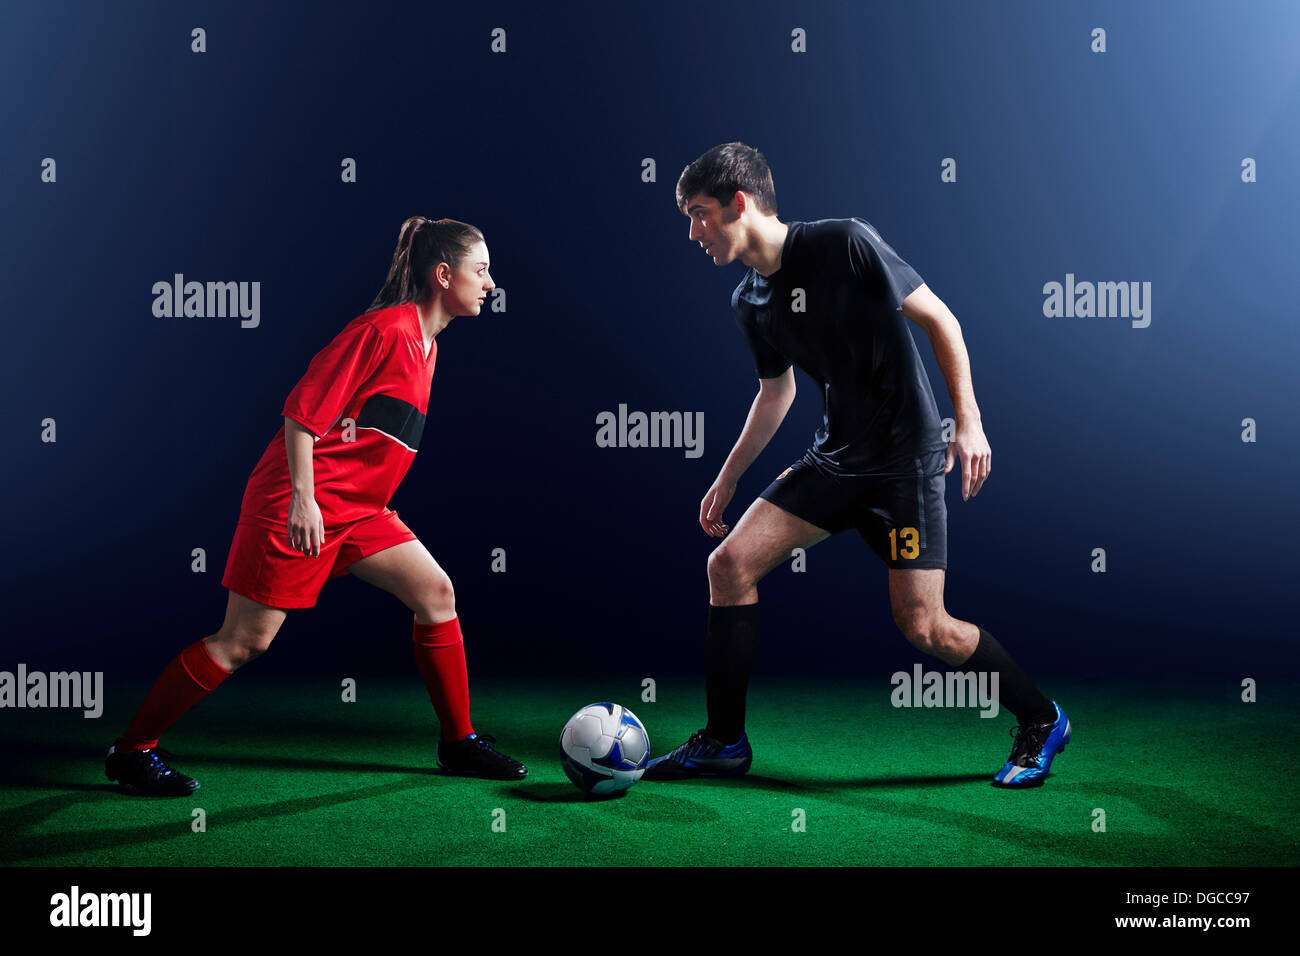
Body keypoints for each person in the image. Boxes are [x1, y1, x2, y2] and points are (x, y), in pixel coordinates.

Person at [644, 143, 1070, 788]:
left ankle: (1042, 719)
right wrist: (727, 477)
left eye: (699, 214)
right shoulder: (748, 300)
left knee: (926, 627)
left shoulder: (845, 242)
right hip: (836, 458)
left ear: (740, 202)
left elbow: (941, 321)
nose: (692, 231)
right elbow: (776, 393)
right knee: (727, 565)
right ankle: (724, 740)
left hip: (903, 464)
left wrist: (971, 422)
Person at [105, 216, 528, 795]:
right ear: (442, 274)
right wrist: (303, 500)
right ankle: (131, 751)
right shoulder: (383, 330)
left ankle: (458, 742)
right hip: (298, 502)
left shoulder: (427, 344)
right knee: (242, 643)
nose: (489, 282)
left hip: (358, 512)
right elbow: (300, 413)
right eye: (480, 270)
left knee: (435, 593)